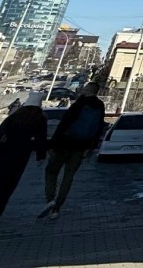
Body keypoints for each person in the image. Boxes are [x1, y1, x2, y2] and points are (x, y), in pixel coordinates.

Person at [38, 82, 105, 220]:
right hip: (81, 147)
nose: (82, 89)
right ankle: (57, 207)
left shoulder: (79, 104)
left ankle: (50, 199)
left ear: (88, 90)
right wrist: (91, 147)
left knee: (51, 171)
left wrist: (53, 144)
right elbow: (99, 127)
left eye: (85, 88)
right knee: (68, 177)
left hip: (64, 144)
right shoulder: (99, 105)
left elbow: (64, 124)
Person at [0, 92, 47, 228]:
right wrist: (41, 156)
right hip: (20, 156)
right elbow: (41, 139)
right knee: (7, 187)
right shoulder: (40, 119)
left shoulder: (15, 116)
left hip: (3, 153)